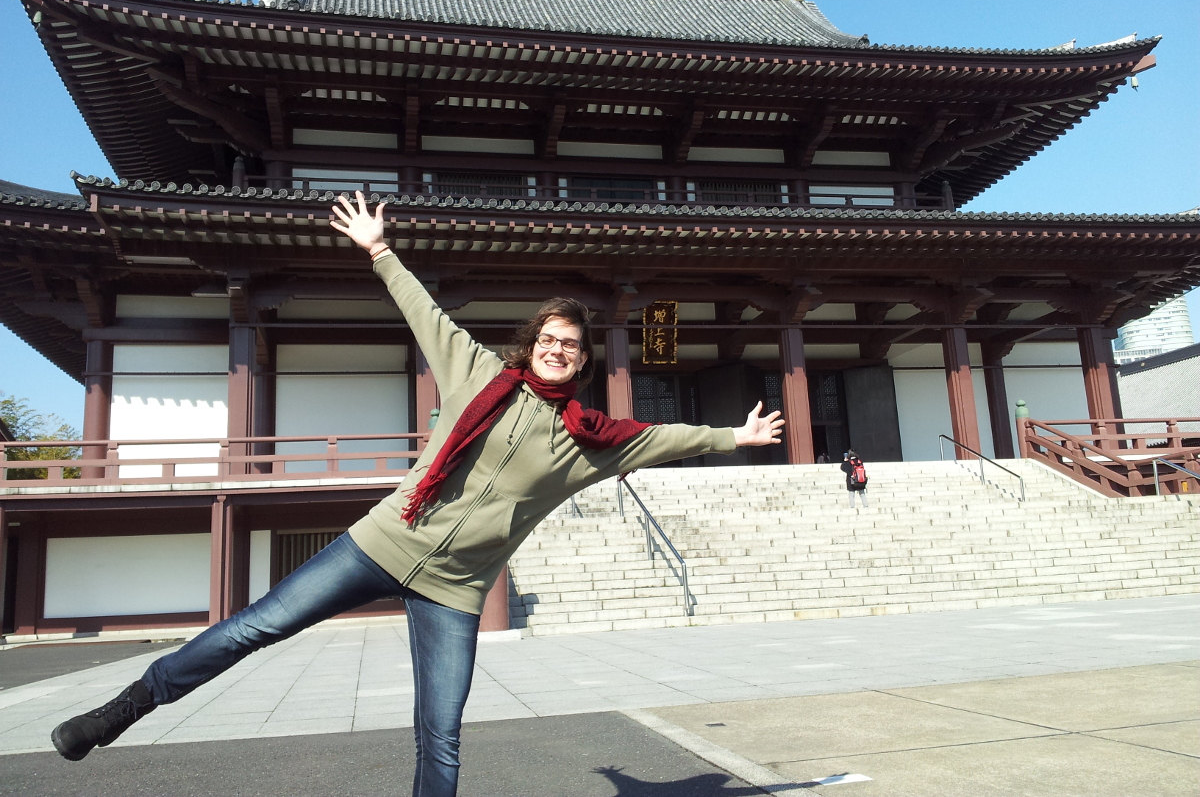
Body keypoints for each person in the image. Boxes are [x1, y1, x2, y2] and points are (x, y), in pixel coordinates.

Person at [50, 192, 785, 797]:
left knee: (441, 730)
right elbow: (422, 310)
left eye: (573, 345)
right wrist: (378, 248)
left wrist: (734, 437)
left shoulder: (590, 441)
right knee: (254, 628)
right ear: (530, 345)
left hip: (455, 587)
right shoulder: (473, 371)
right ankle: (120, 711)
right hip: (382, 540)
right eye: (549, 339)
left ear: (584, 361)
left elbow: (667, 438)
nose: (559, 350)